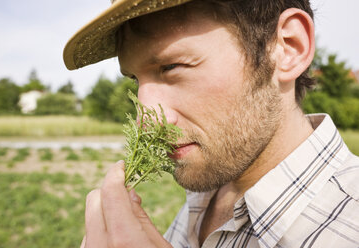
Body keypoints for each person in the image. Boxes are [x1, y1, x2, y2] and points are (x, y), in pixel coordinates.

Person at [63, 0, 359, 247]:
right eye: (134, 79)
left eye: (171, 67)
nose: (146, 123)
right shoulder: (210, 189)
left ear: (287, 48)